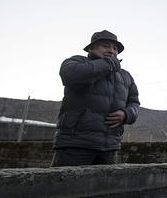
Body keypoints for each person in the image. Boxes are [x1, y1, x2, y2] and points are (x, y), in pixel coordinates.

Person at [51, 30, 140, 166]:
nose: (112, 51)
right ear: (91, 47)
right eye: (106, 46)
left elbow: (134, 103)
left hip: (110, 148)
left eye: (115, 48)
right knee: (65, 186)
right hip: (75, 145)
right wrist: (109, 64)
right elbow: (70, 76)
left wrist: (127, 114)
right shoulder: (76, 62)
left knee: (105, 187)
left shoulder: (126, 76)